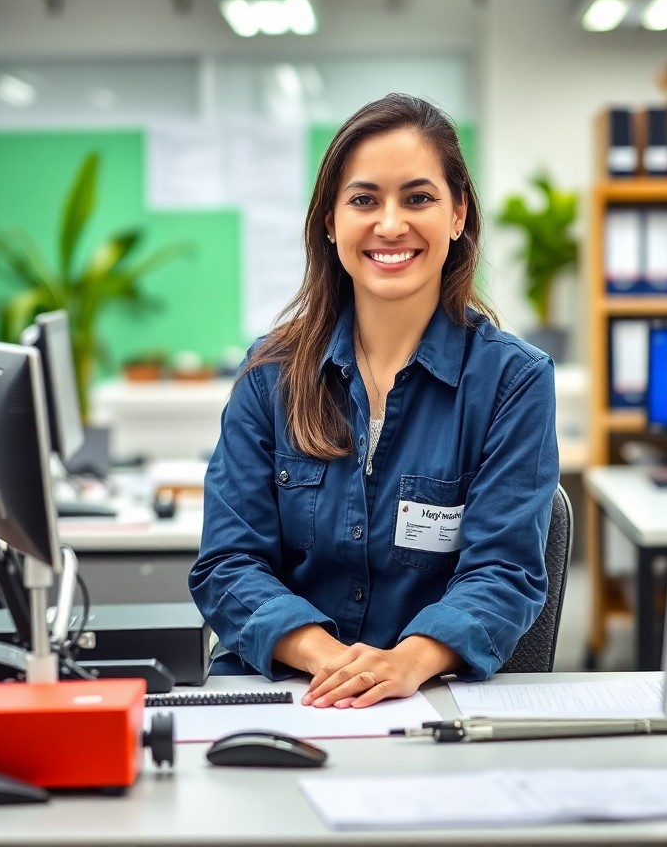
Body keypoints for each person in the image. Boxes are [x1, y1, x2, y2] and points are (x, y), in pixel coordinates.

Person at [189, 93, 559, 709]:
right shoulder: (270, 375)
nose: (390, 225)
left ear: (458, 214)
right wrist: (332, 661)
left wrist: (407, 663)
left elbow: (504, 573)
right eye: (364, 200)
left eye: (418, 198)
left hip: (431, 704)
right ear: (331, 222)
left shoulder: (512, 382)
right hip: (284, 695)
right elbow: (228, 563)